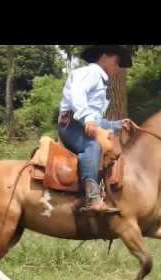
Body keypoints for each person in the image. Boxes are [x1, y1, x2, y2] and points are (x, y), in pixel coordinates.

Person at [58, 45, 133, 215]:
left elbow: (97, 121)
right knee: (93, 146)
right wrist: (88, 118)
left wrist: (118, 124)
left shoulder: (100, 81)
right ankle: (92, 197)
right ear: (104, 57)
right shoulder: (90, 72)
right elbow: (78, 93)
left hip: (81, 123)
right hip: (71, 125)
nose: (117, 67)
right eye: (117, 62)